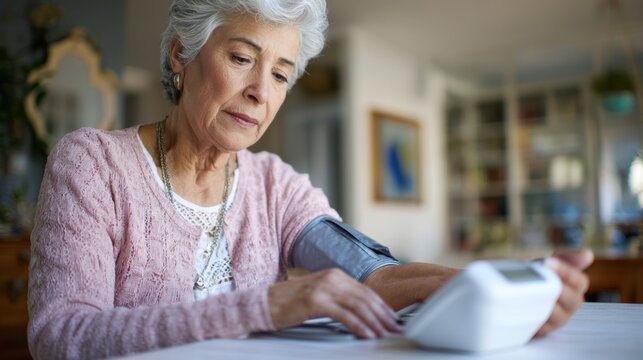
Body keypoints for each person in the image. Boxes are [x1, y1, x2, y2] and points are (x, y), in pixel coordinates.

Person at [27, 0, 593, 358]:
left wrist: (498, 286)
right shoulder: (93, 164)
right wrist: (265, 306)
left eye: (280, 73)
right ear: (181, 55)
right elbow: (61, 337)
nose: (261, 93)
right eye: (243, 58)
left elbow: (371, 273)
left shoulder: (276, 184)